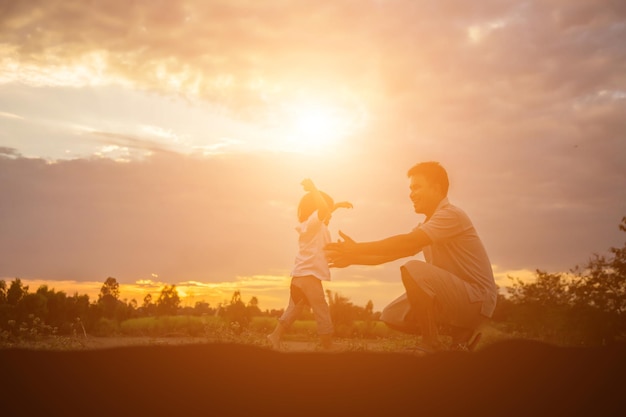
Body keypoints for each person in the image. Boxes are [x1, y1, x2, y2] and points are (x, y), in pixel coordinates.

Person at [325, 161, 497, 353]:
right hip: (458, 298)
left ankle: (432, 343)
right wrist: (352, 258)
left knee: (414, 269)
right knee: (392, 314)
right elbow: (391, 254)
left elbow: (407, 242)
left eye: (417, 187)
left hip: (477, 300)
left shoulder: (451, 215)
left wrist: (356, 248)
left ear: (436, 188)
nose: (411, 194)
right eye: (410, 188)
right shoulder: (429, 224)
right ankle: (459, 343)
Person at [267, 178, 353, 350]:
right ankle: (327, 345)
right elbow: (322, 210)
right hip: (310, 277)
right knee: (321, 308)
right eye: (328, 210)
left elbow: (324, 210)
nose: (329, 214)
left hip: (299, 276)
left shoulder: (309, 226)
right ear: (317, 209)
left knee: (294, 309)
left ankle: (275, 336)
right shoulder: (315, 224)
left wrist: (337, 206)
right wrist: (314, 189)